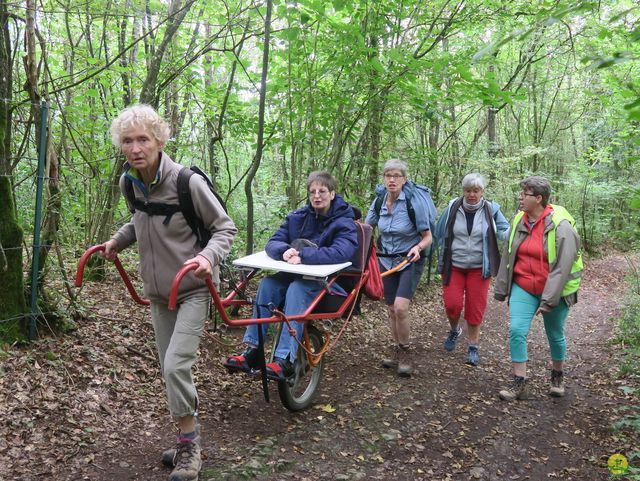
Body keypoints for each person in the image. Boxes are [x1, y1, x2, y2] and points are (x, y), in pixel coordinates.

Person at [102, 105, 237, 481]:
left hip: (193, 288)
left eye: (143, 139)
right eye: (127, 141)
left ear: (159, 141)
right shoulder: (129, 182)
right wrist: (117, 240)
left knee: (176, 365)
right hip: (158, 293)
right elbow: (140, 218)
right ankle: (185, 436)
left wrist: (208, 258)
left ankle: (190, 447)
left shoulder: (187, 182)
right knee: (170, 371)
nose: (135, 148)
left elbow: (225, 228)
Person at [225, 171, 358, 380]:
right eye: (312, 191)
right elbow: (273, 242)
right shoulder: (298, 217)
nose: (317, 196)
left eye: (322, 191)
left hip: (330, 284)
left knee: (297, 289)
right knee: (268, 284)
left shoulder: (345, 222)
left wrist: (304, 255)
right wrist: (284, 251)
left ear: (332, 194)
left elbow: (342, 252)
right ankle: (253, 351)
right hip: (295, 276)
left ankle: (284, 359)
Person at [494, 176, 583, 401]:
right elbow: (509, 255)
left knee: (554, 334)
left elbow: (562, 268)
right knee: (516, 330)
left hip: (555, 289)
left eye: (525, 194)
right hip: (523, 285)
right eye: (521, 193)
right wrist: (503, 286)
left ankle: (557, 375)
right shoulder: (518, 220)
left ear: (539, 198)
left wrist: (548, 300)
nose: (520, 198)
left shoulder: (561, 226)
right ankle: (519, 382)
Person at [365, 159, 434, 377]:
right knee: (391, 309)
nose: (392, 180)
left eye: (396, 176)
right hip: (385, 261)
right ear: (384, 179)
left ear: (404, 179)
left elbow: (428, 237)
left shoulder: (414, 203)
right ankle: (396, 349)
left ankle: (405, 352)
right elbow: (367, 229)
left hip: (409, 260)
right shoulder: (378, 202)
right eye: (388, 176)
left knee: (401, 307)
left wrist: (417, 248)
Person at [435, 173, 509, 366]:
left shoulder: (491, 209)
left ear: (482, 192)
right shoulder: (453, 207)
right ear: (463, 191)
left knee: (475, 309)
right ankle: (454, 330)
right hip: (454, 266)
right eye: (468, 190)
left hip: (479, 268)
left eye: (476, 191)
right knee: (452, 305)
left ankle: (473, 347)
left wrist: (518, 230)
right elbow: (438, 232)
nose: (471, 195)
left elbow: (504, 231)